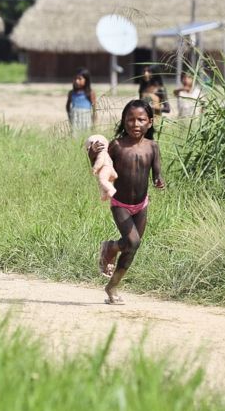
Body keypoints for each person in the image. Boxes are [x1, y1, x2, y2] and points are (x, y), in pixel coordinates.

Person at [93, 99, 165, 305]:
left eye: (141, 120)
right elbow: (101, 164)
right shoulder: (116, 145)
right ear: (123, 121)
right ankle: (110, 248)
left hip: (141, 204)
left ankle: (112, 285)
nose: (135, 124)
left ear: (150, 122)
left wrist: (159, 180)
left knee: (132, 246)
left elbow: (157, 173)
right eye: (130, 119)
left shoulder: (153, 147)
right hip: (120, 204)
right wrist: (96, 151)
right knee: (133, 241)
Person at [65, 68, 96, 134]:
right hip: (75, 118)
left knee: (86, 135)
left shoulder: (90, 93)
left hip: (86, 120)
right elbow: (67, 106)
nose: (76, 81)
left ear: (86, 80)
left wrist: (93, 124)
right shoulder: (71, 93)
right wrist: (70, 118)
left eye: (79, 79)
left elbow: (94, 109)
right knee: (75, 135)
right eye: (75, 79)